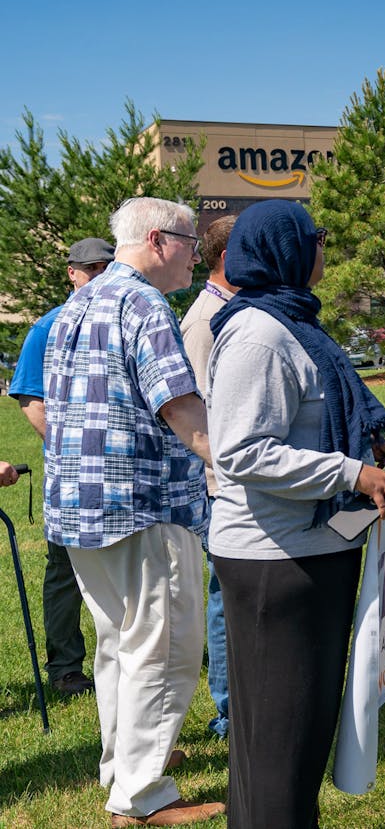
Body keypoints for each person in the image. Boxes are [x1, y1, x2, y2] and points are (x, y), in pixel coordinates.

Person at [207, 201, 385, 828]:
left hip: (315, 546)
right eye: (316, 236)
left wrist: (364, 446)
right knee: (279, 742)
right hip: (275, 563)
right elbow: (242, 450)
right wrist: (350, 473)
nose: (324, 247)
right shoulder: (259, 334)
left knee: (293, 741)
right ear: (284, 248)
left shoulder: (296, 323)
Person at [45, 198, 221, 826]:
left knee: (119, 647)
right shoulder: (144, 304)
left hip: (79, 504)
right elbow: (180, 406)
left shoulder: (76, 304)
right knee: (165, 648)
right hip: (142, 503)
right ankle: (141, 798)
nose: (196, 254)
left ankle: (124, 776)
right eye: (190, 243)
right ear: (158, 239)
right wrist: (233, 466)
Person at [8, 236, 112, 698]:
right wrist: (72, 448)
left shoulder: (116, 318)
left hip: (121, 468)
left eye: (105, 267)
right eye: (89, 269)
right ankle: (67, 666)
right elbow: (30, 397)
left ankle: (123, 660)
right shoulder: (47, 327)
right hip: (71, 471)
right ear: (71, 273)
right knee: (65, 569)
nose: (98, 275)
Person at [178, 213, 237, 741]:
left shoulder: (233, 311)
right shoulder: (204, 322)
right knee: (225, 597)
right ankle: (228, 710)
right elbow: (199, 413)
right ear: (228, 256)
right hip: (222, 487)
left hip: (245, 481)